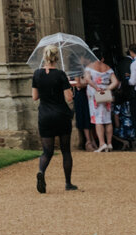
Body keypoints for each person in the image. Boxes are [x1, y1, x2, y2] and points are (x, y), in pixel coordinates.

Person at [32, 46, 77, 193]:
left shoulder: (37, 74)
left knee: (47, 151)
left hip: (45, 115)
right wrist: (69, 86)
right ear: (57, 57)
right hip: (61, 114)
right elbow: (69, 97)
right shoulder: (60, 74)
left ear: (44, 57)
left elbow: (35, 97)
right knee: (65, 150)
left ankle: (41, 171)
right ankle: (68, 183)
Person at [87, 52, 117, 151]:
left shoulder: (89, 67)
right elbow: (115, 82)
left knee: (98, 119)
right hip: (106, 94)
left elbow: (87, 79)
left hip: (95, 94)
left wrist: (97, 88)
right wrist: (107, 89)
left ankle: (102, 143)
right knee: (108, 119)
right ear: (102, 58)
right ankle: (109, 143)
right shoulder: (108, 68)